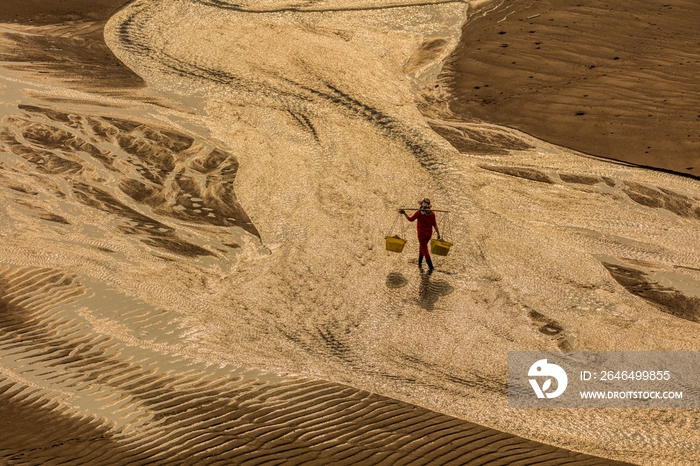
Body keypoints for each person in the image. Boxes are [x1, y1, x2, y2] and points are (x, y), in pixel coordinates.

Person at [399, 198, 440, 271]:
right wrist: (438, 233)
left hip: (422, 235)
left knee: (424, 249)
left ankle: (431, 267)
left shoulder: (418, 213)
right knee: (422, 247)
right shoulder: (432, 214)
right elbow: (435, 225)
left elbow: (410, 219)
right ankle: (420, 263)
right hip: (429, 235)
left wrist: (404, 213)